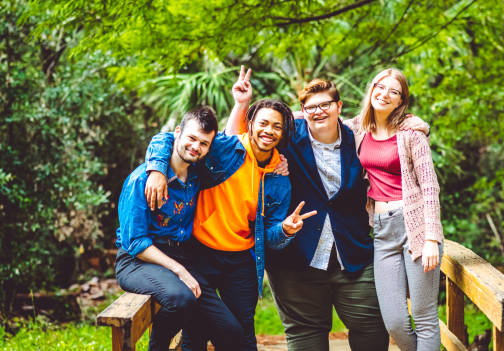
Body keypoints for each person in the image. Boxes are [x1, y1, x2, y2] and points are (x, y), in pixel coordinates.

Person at [226, 67, 391, 351]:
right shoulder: (288, 135)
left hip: (351, 253)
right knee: (305, 336)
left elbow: (394, 129)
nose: (318, 111)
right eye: (311, 107)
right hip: (295, 258)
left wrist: (416, 125)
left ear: (339, 106)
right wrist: (241, 104)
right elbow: (236, 143)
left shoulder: (360, 138)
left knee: (372, 328)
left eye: (325, 104)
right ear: (302, 110)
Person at [144, 96, 316, 351]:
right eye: (263, 123)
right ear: (250, 123)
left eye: (276, 126)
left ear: (282, 132)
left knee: (243, 332)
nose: (268, 131)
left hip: (241, 260)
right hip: (200, 252)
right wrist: (157, 169)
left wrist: (285, 230)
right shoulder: (226, 148)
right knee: (195, 330)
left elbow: (268, 237)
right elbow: (168, 138)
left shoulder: (280, 178)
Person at [345, 68, 444, 351]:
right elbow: (323, 116)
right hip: (382, 229)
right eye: (380, 86)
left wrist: (431, 238)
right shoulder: (360, 130)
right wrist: (291, 113)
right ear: (371, 88)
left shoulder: (412, 134)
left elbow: (430, 187)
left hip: (415, 226)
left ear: (401, 101)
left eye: (394, 91)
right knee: (395, 322)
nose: (384, 94)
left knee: (424, 317)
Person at [115, 106, 217, 351]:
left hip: (178, 253)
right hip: (136, 260)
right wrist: (179, 270)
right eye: (192, 138)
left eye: (203, 143)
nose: (196, 146)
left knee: (204, 311)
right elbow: (136, 243)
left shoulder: (194, 175)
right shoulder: (142, 180)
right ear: (178, 133)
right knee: (180, 299)